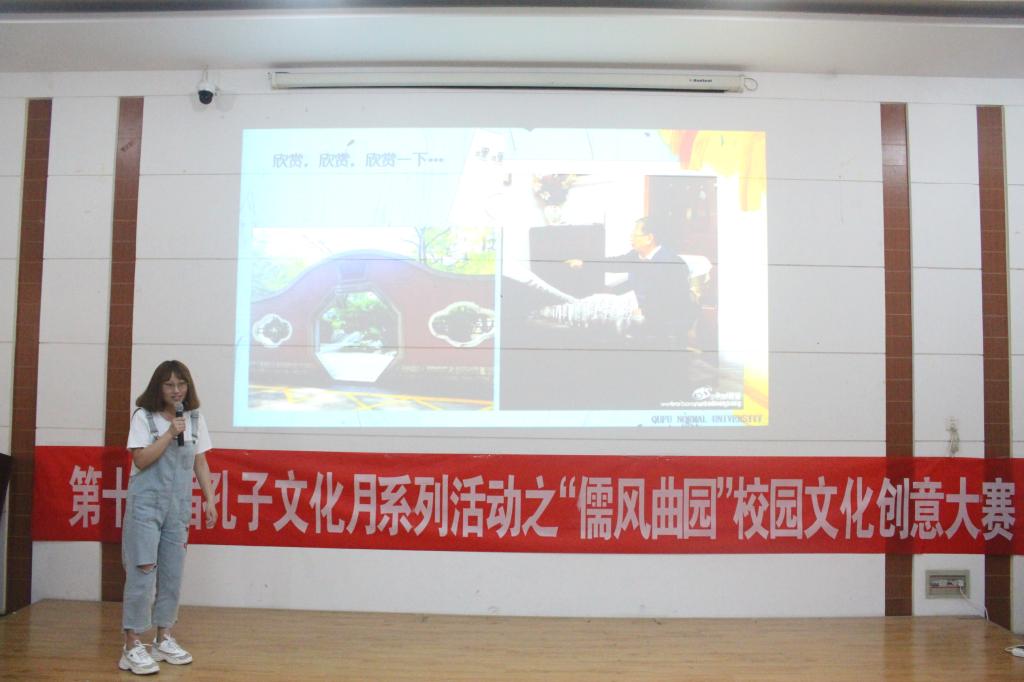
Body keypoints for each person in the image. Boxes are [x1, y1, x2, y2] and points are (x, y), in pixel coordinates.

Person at [118, 360, 217, 675]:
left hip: (178, 507)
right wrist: (169, 433)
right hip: (146, 507)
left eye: (181, 384)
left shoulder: (195, 418)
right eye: (170, 385)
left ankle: (163, 638)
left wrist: (210, 499)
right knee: (143, 571)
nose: (176, 391)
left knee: (172, 573)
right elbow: (140, 459)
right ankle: (132, 644)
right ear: (158, 388)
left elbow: (200, 461)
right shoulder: (143, 417)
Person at [566, 216, 696, 344]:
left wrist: (645, 311)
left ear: (649, 238)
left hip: (664, 318)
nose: (631, 238)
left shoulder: (672, 263)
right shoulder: (636, 256)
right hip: (639, 310)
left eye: (635, 235)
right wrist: (584, 263)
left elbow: (674, 300)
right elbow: (614, 263)